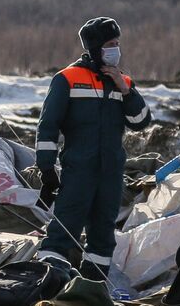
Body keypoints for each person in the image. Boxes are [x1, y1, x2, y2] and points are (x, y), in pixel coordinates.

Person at [34, 17, 152, 280]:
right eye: (111, 44)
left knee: (103, 237)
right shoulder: (67, 78)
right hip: (79, 170)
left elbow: (141, 121)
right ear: (96, 46)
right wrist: (46, 169)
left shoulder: (123, 82)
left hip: (110, 173)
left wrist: (126, 91)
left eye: (117, 44)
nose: (116, 49)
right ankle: (47, 287)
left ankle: (92, 290)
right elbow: (48, 126)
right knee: (63, 231)